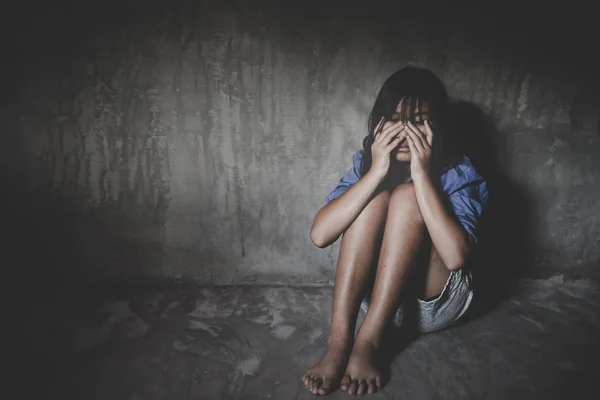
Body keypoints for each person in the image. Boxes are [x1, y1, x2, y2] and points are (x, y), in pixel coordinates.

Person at [301, 67, 489, 396]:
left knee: (407, 196)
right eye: (395, 119)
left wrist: (423, 174)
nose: (405, 132)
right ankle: (340, 343)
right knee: (371, 199)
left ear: (437, 127)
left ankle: (368, 342)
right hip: (377, 300)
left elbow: (456, 257)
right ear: (378, 124)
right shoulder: (366, 163)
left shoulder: (459, 169)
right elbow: (320, 236)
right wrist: (375, 174)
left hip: (436, 304)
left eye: (418, 120)